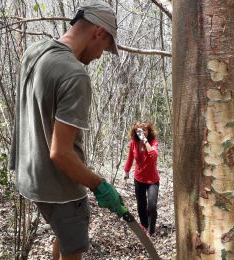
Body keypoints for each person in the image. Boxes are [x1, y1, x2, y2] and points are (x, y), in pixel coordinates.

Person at [9, 1, 124, 259]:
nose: (98, 56)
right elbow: (60, 153)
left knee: (63, 237)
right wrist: (99, 185)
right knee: (73, 251)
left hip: (30, 178)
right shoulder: (74, 75)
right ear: (99, 32)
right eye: (104, 48)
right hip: (61, 187)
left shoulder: (34, 51)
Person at [124, 121, 160, 236]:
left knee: (152, 206)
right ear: (135, 131)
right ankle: (144, 226)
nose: (142, 132)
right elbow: (130, 157)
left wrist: (144, 141)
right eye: (139, 130)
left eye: (144, 129)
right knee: (141, 205)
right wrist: (126, 170)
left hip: (152, 180)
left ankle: (151, 230)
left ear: (148, 131)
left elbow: (153, 156)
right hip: (138, 178)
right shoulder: (133, 143)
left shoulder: (153, 142)